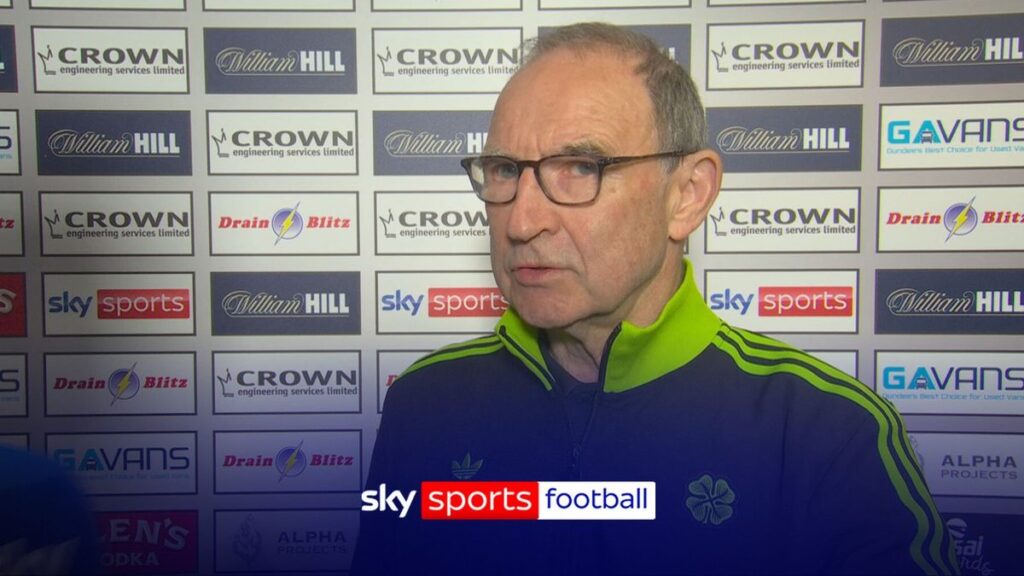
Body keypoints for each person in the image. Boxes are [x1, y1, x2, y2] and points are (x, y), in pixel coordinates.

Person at [353, 22, 956, 575]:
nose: (521, 220)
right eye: (506, 169)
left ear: (687, 195)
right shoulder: (423, 406)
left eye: (579, 166)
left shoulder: (829, 432)